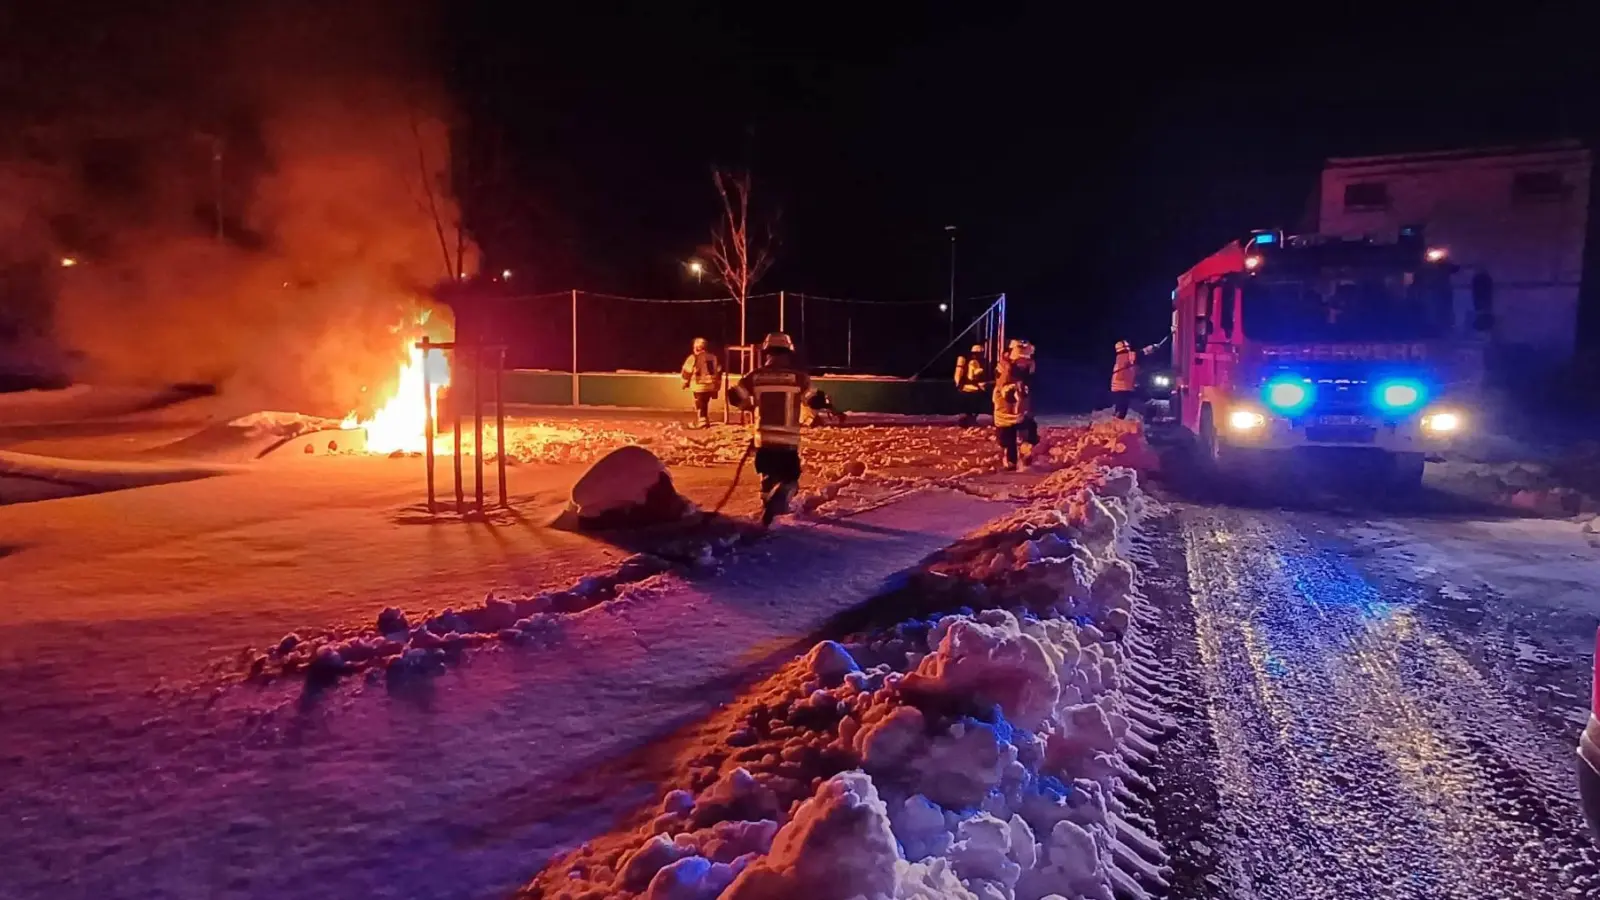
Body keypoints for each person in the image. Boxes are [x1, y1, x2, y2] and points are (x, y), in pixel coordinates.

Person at [729, 332, 815, 525]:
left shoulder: (755, 376)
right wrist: (824, 405)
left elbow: (734, 396)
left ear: (766, 352)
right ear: (788, 352)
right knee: (790, 479)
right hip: (788, 441)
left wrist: (747, 406)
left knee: (767, 478)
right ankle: (781, 498)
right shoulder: (799, 377)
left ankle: (768, 509)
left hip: (764, 440)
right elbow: (813, 399)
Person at [992, 357, 1038, 471]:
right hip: (1007, 418)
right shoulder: (1008, 384)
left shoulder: (1020, 383)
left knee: (1025, 435)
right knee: (1009, 441)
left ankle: (1020, 457)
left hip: (1013, 418)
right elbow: (1008, 393)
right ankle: (1014, 460)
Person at [1110, 337, 1165, 419]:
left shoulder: (1120, 357)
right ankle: (1116, 425)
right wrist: (1153, 347)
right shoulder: (1126, 356)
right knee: (1123, 408)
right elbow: (1142, 352)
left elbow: (1133, 369)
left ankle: (1115, 424)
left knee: (1121, 407)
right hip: (1123, 387)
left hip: (1120, 387)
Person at [680, 337, 722, 428]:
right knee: (705, 402)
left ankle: (701, 421)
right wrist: (718, 385)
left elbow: (686, 371)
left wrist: (684, 382)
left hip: (698, 385)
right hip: (710, 385)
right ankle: (705, 419)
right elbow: (718, 371)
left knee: (699, 403)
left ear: (696, 347)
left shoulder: (693, 358)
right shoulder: (713, 357)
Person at [953, 343, 994, 425]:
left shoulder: (975, 362)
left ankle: (970, 419)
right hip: (970, 388)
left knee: (972, 406)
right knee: (974, 405)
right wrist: (979, 372)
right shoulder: (973, 362)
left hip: (968, 388)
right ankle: (970, 419)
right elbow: (972, 377)